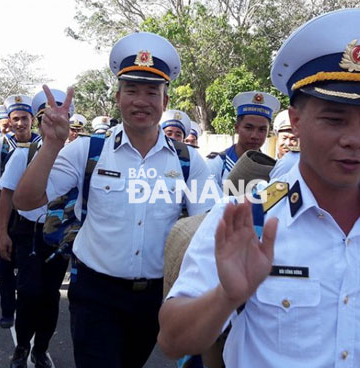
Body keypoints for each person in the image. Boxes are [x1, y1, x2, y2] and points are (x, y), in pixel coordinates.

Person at [158, 8, 360, 367]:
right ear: (297, 121)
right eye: (334, 119)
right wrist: (226, 296)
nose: (355, 140)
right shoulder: (245, 218)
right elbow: (173, 341)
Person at [12, 31, 218, 368]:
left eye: (152, 92)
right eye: (132, 90)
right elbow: (27, 201)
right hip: (96, 293)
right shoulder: (87, 150)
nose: (141, 100)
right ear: (118, 98)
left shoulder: (189, 162)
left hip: (155, 297)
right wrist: (50, 144)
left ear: (165, 103)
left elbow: (206, 227)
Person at [0, 88, 72, 368]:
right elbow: (6, 194)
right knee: (29, 293)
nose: (53, 122)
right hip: (28, 235)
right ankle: (21, 347)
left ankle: (41, 349)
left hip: (58, 236)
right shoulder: (25, 155)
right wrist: (2, 233)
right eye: (45, 117)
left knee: (50, 296)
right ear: (40, 121)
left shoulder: (75, 158)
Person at [206, 91, 280, 188]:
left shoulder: (271, 170)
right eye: (249, 128)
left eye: (262, 129)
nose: (255, 136)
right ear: (237, 127)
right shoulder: (217, 165)